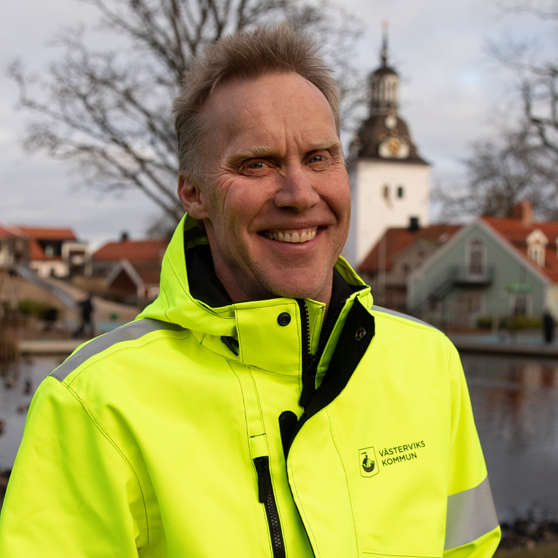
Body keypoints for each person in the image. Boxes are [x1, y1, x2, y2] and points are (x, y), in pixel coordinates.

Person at [0, 24, 500, 557]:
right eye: (256, 164)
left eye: (319, 157)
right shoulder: (94, 403)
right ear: (193, 192)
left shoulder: (429, 363)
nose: (298, 195)